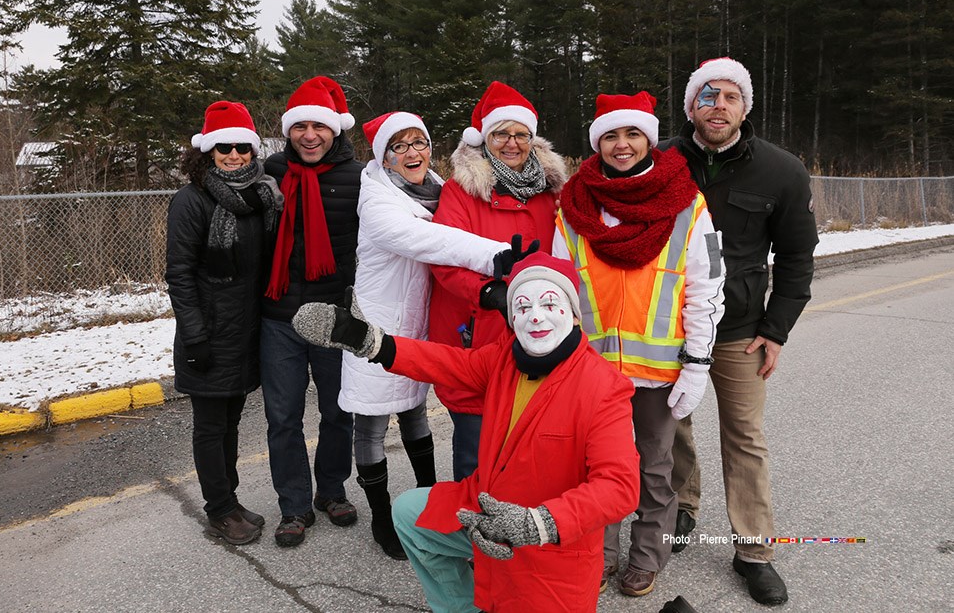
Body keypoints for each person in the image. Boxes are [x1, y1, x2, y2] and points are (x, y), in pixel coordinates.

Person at [291, 252, 640, 613]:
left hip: (549, 545)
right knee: (411, 515)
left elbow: (619, 487)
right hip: (481, 511)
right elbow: (446, 362)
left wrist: (538, 523)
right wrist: (374, 343)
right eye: (522, 307)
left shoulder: (604, 387)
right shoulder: (506, 358)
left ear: (571, 311)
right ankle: (460, 607)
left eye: (549, 303)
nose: (535, 316)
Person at [553, 91, 725, 597]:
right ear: (597, 143)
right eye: (610, 135)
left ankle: (648, 555)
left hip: (658, 369)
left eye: (632, 134)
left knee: (654, 470)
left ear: (648, 138)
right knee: (594, 466)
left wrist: (697, 363)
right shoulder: (574, 204)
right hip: (592, 369)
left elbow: (708, 283)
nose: (622, 145)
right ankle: (596, 553)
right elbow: (562, 286)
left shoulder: (688, 202)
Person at [661, 57, 818, 606]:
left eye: (730, 96)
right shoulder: (660, 163)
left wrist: (777, 329)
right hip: (665, 327)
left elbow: (798, 256)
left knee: (745, 437)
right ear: (691, 107)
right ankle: (681, 506)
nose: (718, 105)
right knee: (670, 424)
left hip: (740, 328)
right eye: (708, 96)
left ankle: (754, 551)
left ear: (745, 106)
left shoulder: (782, 171)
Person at [344, 111, 510, 559]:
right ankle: (382, 518)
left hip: (416, 324)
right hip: (377, 324)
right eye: (400, 146)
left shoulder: (436, 187)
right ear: (385, 157)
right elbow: (432, 241)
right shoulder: (378, 203)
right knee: (373, 423)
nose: (413, 152)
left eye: (419, 141)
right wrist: (501, 255)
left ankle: (426, 500)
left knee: (415, 414)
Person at [428, 80, 568, 481]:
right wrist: (487, 291)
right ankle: (473, 535)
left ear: (532, 139)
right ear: (485, 139)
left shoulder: (551, 193)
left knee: (532, 444)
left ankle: (522, 530)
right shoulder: (461, 192)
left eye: (520, 134)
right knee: (476, 451)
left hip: (537, 333)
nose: (512, 143)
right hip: (477, 330)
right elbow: (443, 257)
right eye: (501, 133)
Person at [166, 100, 283, 545]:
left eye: (242, 148)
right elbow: (179, 274)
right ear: (206, 152)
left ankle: (229, 501)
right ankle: (218, 510)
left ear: (253, 151)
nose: (234, 155)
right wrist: (195, 334)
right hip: (210, 334)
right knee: (211, 426)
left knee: (231, 423)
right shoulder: (191, 200)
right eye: (223, 148)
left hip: (246, 331)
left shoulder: (261, 197)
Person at [260, 76, 364, 548]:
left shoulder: (359, 176)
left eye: (318, 126)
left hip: (332, 316)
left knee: (337, 411)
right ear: (288, 131)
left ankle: (332, 490)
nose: (309, 135)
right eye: (299, 126)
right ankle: (294, 504)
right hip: (278, 316)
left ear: (334, 131)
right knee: (282, 417)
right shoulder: (269, 172)